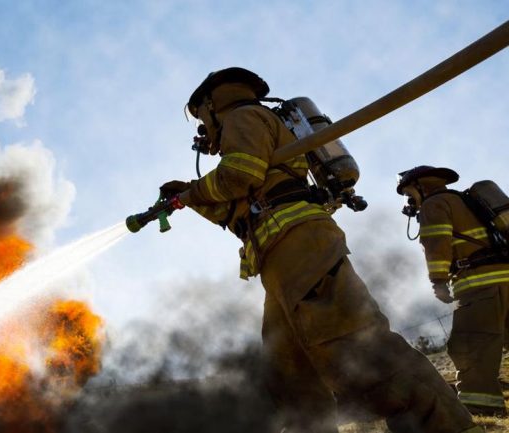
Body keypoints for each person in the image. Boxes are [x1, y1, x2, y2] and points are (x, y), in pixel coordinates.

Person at [161, 67, 482, 433]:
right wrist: (188, 195)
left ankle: (447, 426)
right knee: (288, 367)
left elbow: (238, 176)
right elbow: (237, 208)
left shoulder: (242, 116)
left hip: (301, 247)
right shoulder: (251, 127)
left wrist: (192, 192)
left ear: (210, 102)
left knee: (352, 341)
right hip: (280, 258)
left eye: (199, 115)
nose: (201, 127)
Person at [397, 165, 509, 416]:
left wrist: (438, 281)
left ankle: (482, 408)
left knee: (470, 345)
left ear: (420, 186)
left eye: (409, 194)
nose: (409, 201)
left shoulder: (434, 204)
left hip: (480, 284)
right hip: (506, 275)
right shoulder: (468, 202)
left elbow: (437, 243)